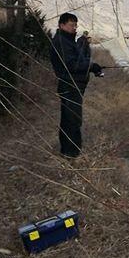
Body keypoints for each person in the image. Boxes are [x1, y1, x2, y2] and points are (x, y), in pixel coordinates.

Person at [49, 13, 103, 158]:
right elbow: (72, 64)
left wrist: (82, 43)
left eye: (75, 25)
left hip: (73, 86)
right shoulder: (61, 42)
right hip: (69, 85)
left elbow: (77, 56)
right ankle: (71, 154)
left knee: (69, 118)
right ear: (62, 25)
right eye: (71, 25)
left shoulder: (67, 41)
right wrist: (92, 66)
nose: (75, 28)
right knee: (72, 120)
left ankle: (68, 152)